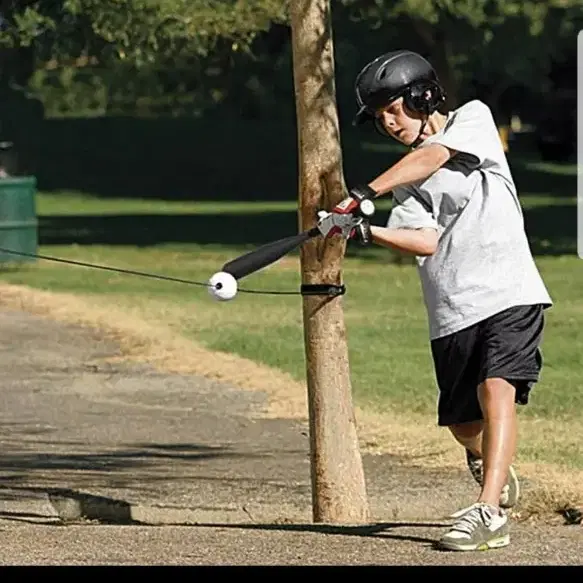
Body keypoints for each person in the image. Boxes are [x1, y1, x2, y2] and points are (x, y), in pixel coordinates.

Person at [334, 50, 553, 552]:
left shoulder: (471, 120)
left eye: (394, 108)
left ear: (422, 96)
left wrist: (363, 190)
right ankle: (486, 457)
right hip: (453, 307)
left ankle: (488, 510)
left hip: (509, 290)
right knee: (463, 424)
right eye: (380, 117)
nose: (388, 123)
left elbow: (434, 156)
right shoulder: (406, 184)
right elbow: (425, 240)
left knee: (497, 389)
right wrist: (364, 229)